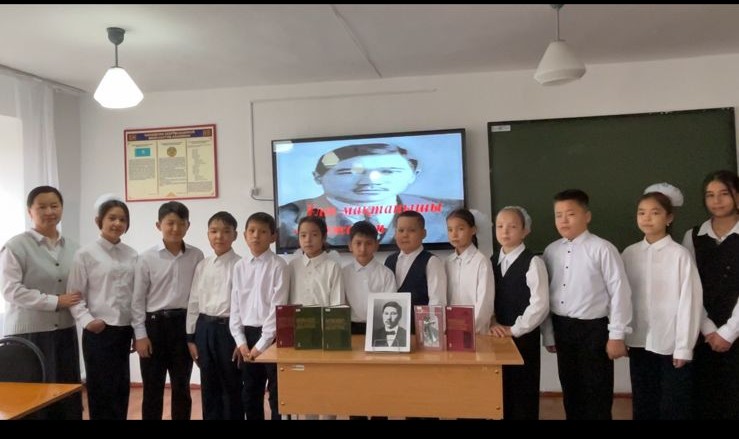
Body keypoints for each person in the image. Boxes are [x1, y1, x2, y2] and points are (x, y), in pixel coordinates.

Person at [541, 189, 632, 420]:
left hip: (594, 330)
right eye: (558, 215)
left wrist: (617, 335)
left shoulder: (603, 249)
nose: (564, 220)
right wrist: (549, 334)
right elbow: (546, 296)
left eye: (570, 214)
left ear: (587, 216)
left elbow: (619, 292)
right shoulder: (551, 251)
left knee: (597, 392)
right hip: (563, 328)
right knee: (570, 390)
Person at [277, 143, 463, 249]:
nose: (369, 182)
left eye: (388, 171)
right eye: (348, 172)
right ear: (318, 177)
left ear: (414, 174)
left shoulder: (448, 212)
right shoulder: (287, 217)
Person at [0, 185, 83, 419]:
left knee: (65, 398)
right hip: (30, 335)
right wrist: (55, 301)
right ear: (30, 211)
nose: (49, 212)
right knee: (33, 402)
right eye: (42, 207)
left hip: (64, 333)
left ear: (62, 209)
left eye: (54, 206)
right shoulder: (15, 246)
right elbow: (11, 290)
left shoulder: (74, 247)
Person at [622, 183, 702, 420]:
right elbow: (621, 297)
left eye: (655, 212)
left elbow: (690, 302)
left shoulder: (680, 255)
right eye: (641, 212)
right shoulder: (629, 253)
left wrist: (684, 346)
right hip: (639, 341)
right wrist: (622, 334)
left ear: (669, 218)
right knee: (643, 401)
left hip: (670, 343)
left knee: (672, 405)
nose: (647, 218)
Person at [131, 201, 204, 420]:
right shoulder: (146, 258)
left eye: (181, 223)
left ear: (188, 225)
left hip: (182, 325)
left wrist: (193, 334)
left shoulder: (196, 255)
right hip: (154, 326)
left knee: (182, 386)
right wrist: (140, 335)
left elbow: (197, 297)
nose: (175, 228)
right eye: (170, 223)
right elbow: (137, 300)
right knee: (152, 387)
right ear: (158, 225)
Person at [67, 195, 138, 420]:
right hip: (99, 330)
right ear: (99, 221)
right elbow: (75, 296)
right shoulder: (85, 254)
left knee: (120, 388)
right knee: (100, 390)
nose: (117, 223)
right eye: (112, 218)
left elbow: (135, 296)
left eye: (122, 219)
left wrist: (136, 330)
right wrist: (89, 322)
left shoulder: (132, 254)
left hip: (124, 330)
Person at [682, 170, 739, 420]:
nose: (717, 201)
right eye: (710, 195)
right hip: (703, 331)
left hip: (735, 328)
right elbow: (689, 287)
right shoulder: (693, 236)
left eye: (724, 194)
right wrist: (708, 329)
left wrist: (729, 332)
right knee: (705, 399)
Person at [490, 206, 550, 420]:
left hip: (523, 337)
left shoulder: (533, 262)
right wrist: (492, 321)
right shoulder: (492, 260)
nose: (505, 231)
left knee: (523, 391)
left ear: (525, 230)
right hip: (496, 336)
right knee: (500, 391)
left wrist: (515, 329)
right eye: (500, 226)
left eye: (512, 226)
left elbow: (540, 304)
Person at [230, 212, 289, 421]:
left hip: (272, 337)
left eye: (263, 232)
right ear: (244, 235)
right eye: (252, 231)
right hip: (246, 338)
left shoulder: (279, 265)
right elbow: (235, 305)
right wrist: (240, 341)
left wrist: (261, 345)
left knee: (277, 393)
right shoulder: (239, 266)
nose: (256, 236)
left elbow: (277, 308)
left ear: (273, 237)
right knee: (250, 392)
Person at [185, 211, 243, 420]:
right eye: (214, 231)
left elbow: (244, 305)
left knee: (231, 385)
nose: (219, 236)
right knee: (208, 385)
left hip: (229, 331)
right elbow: (194, 301)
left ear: (235, 235)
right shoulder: (202, 265)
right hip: (204, 329)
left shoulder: (241, 265)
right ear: (208, 234)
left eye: (226, 231)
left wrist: (241, 340)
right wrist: (191, 338)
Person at [384, 210, 447, 333]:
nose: (405, 235)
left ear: (423, 233)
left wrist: (429, 334)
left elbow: (437, 301)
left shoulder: (432, 262)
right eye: (401, 230)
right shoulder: (389, 260)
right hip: (394, 331)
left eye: (411, 230)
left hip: (421, 332)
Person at [341, 220, 397, 337]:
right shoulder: (343, 273)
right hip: (350, 327)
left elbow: (391, 305)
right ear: (350, 246)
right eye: (358, 243)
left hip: (379, 327)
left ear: (376, 245)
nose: (363, 248)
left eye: (368, 243)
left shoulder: (386, 274)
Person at [445, 208, 495, 335]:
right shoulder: (447, 262)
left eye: (460, 229)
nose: (454, 234)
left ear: (473, 230)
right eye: (450, 230)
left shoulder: (481, 261)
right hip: (451, 330)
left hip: (474, 332)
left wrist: (468, 328)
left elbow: (484, 302)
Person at [288, 215, 343, 307]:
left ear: (324, 237)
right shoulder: (292, 266)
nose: (308, 240)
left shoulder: (333, 267)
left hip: (324, 316)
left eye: (314, 235)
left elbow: (337, 304)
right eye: (303, 235)